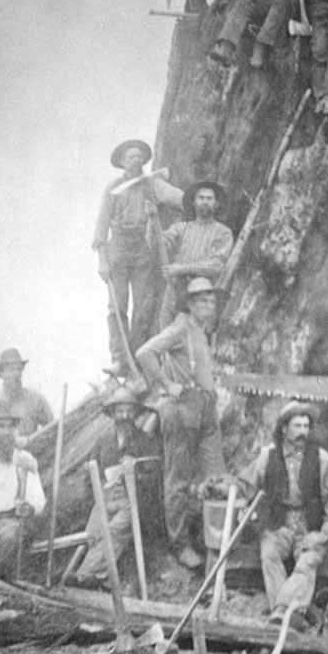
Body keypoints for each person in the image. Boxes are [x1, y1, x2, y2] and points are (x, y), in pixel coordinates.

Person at [136, 277, 226, 568]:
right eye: (201, 300)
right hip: (182, 407)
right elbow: (144, 353)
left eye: (211, 301)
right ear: (189, 303)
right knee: (178, 481)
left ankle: (217, 543)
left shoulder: (202, 331)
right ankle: (180, 544)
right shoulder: (180, 327)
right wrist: (165, 384)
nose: (208, 306)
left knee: (217, 478)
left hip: (206, 409)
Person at [234, 400, 328, 631]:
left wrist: (324, 534)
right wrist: (249, 514)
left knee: (307, 561)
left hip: (309, 525)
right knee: (269, 554)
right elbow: (245, 486)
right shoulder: (268, 456)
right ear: (284, 429)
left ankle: (282, 610)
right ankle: (290, 614)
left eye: (306, 426)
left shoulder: (321, 458)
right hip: (279, 524)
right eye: (297, 426)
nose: (303, 431)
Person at [93, 139, 183, 376]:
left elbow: (178, 198)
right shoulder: (113, 188)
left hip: (143, 247)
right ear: (122, 162)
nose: (135, 160)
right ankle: (119, 359)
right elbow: (101, 228)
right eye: (130, 157)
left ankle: (136, 357)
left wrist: (198, 201)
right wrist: (103, 261)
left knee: (144, 307)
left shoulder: (151, 183)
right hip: (118, 248)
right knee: (117, 307)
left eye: (139, 156)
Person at [67, 387, 161, 590]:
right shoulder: (102, 441)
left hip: (130, 501)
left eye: (129, 411)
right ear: (112, 414)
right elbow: (89, 475)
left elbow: (154, 478)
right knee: (93, 533)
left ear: (135, 413)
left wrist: (134, 469)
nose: (125, 416)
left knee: (114, 530)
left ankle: (83, 576)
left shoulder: (145, 441)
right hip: (104, 498)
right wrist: (95, 495)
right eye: (120, 411)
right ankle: (102, 579)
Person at [0, 400, 46, 579]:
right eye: (0, 426)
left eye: (9, 427)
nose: (5, 432)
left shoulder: (24, 460)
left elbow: (38, 499)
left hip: (12, 522)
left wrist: (30, 507)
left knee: (10, 536)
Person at [155, 180, 233, 328]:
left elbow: (217, 266)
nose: (205, 202)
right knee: (166, 331)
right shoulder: (181, 229)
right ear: (193, 202)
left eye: (209, 199)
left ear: (216, 204)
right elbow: (161, 245)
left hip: (202, 293)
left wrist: (183, 269)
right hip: (175, 289)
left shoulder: (223, 232)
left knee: (194, 337)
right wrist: (153, 221)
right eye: (201, 198)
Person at [0, 348, 53, 443]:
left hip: (33, 454)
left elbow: (53, 429)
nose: (16, 374)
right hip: (4, 455)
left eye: (19, 369)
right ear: (1, 373)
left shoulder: (35, 399)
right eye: (11, 369)